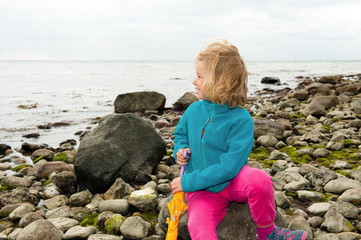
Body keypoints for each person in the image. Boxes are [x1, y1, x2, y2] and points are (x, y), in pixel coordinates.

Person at [170, 40, 308, 240]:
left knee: (260, 180)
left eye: (200, 77)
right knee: (198, 226)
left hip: (231, 181)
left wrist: (187, 182)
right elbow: (180, 134)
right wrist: (180, 149)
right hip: (202, 192)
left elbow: (229, 167)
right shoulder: (193, 111)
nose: (194, 81)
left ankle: (268, 233)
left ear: (220, 82)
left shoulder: (241, 119)